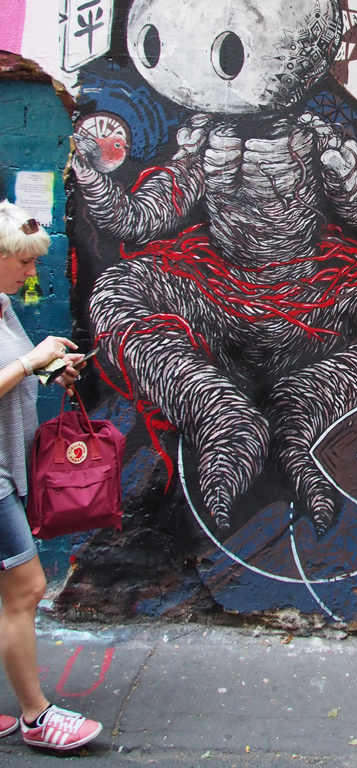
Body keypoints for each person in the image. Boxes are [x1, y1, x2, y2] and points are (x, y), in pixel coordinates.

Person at [0, 200, 102, 751]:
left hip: (6, 465)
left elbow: (12, 370)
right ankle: (37, 718)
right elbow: (11, 367)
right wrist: (29, 361)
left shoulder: (1, 305)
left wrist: (51, 371)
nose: (31, 272)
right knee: (28, 588)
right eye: (24, 262)